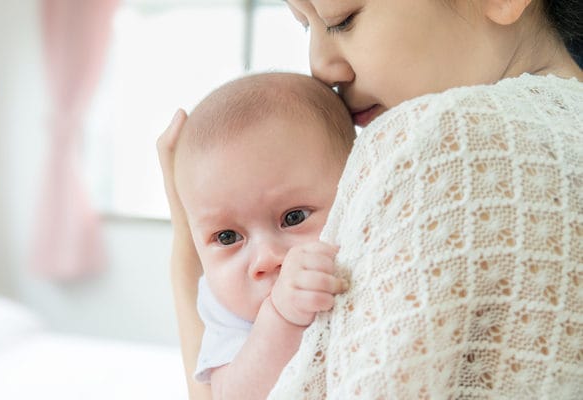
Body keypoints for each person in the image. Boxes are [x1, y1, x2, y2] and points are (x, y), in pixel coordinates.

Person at [157, 0, 583, 399]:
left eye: (343, 19)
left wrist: (184, 250)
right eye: (306, 27)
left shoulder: (441, 138)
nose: (320, 67)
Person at [173, 72, 354, 399]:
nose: (266, 259)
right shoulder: (223, 309)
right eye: (227, 237)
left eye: (293, 218)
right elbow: (231, 395)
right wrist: (281, 318)